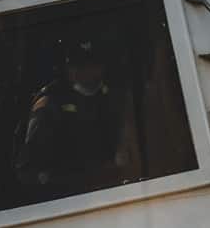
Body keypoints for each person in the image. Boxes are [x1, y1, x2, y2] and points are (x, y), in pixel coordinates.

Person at [16, 38, 128, 197]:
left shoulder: (110, 96)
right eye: (81, 65)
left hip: (112, 190)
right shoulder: (51, 103)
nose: (89, 71)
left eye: (94, 64)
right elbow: (28, 172)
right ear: (69, 68)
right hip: (68, 197)